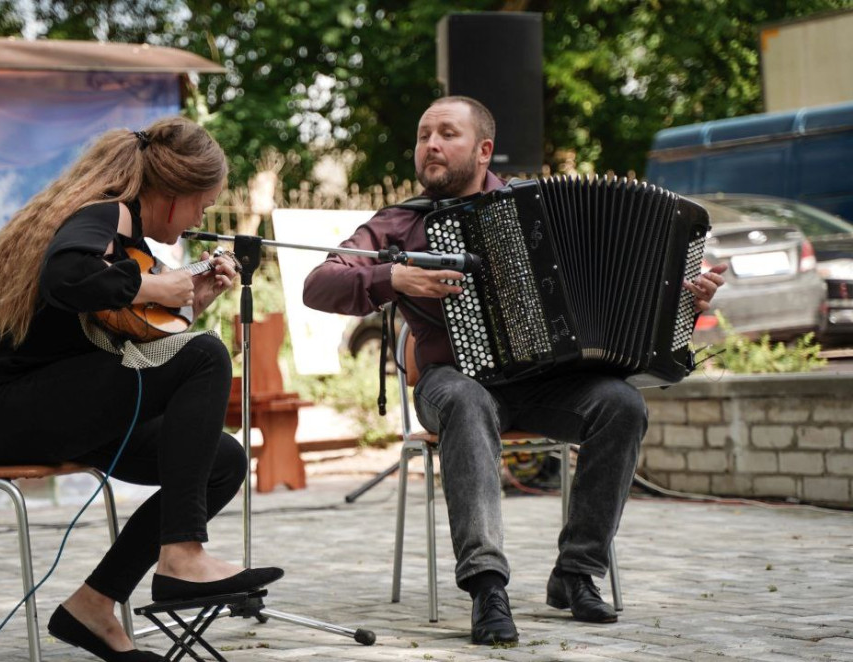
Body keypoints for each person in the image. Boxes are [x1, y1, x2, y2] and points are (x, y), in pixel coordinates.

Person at [303, 96, 727, 645]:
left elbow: (635, 302)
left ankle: (576, 574)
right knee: (467, 400)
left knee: (622, 405)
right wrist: (392, 278)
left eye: (447, 134)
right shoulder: (400, 223)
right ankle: (487, 587)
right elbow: (319, 284)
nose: (431, 145)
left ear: (483, 150)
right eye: (424, 135)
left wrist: (686, 303)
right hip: (451, 381)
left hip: (546, 385)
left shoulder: (536, 209)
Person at [0, 117, 283, 662]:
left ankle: (94, 605)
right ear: (173, 194)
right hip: (0, 411)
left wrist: (189, 303)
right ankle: (182, 555)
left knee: (222, 461)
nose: (200, 219)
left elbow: (114, 333)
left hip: (53, 404)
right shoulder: (106, 212)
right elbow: (65, 277)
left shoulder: (122, 236)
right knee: (205, 355)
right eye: (202, 205)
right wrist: (155, 285)